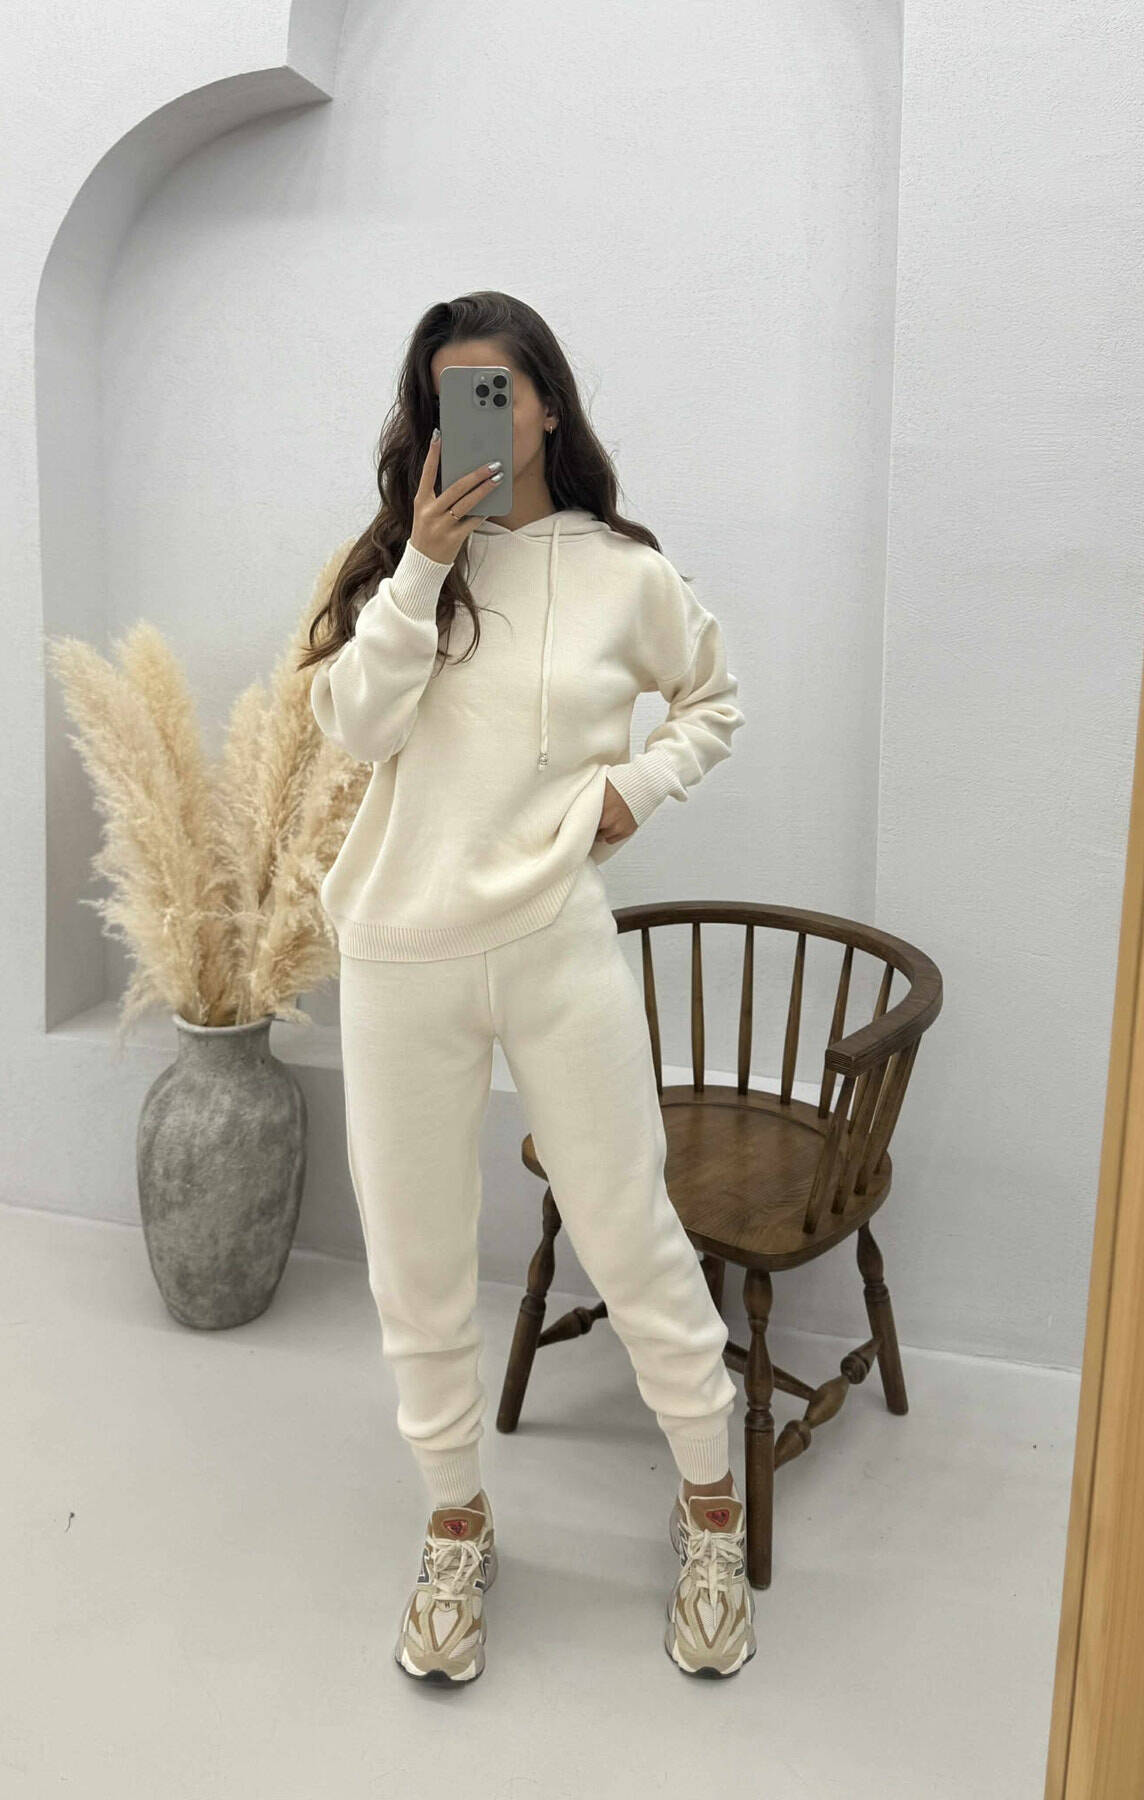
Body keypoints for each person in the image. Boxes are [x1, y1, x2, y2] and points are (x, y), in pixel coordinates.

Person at [301, 291, 757, 1683]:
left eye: (495, 392)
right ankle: (456, 1525)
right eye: (448, 397)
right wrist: (421, 569)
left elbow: (715, 701)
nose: (475, 421)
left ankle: (712, 1512)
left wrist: (632, 789)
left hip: (555, 938)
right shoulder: (402, 568)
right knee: (419, 1263)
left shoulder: (624, 573)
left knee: (631, 1231)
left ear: (547, 405)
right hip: (400, 955)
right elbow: (353, 729)